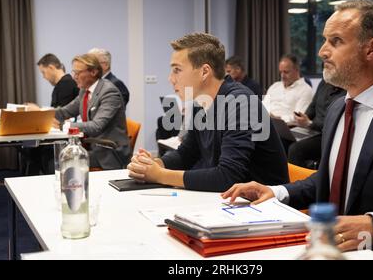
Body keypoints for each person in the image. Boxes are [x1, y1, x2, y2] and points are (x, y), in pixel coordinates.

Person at [222, 0, 373, 260]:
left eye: (336, 41)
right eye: (325, 40)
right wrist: (277, 191)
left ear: (371, 49)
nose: (322, 52)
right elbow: (332, 178)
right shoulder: (339, 109)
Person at [127, 33, 289, 192]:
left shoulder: (240, 101)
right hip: (233, 202)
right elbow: (187, 153)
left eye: (177, 70)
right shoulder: (201, 102)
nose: (171, 78)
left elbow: (227, 177)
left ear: (205, 71)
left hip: (264, 208)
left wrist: (160, 175)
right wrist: (155, 164)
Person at [54, 54, 131, 170]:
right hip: (93, 146)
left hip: (109, 152)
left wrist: (64, 126)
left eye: (78, 73)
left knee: (60, 160)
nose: (74, 77)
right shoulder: (84, 91)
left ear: (93, 72)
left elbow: (96, 126)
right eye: (73, 72)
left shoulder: (109, 92)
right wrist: (41, 114)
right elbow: (65, 111)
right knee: (54, 157)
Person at [22, 54, 80, 175]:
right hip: (62, 133)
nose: (43, 77)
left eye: (43, 72)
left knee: (32, 150)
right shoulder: (61, 85)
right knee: (29, 148)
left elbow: (61, 117)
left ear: (52, 67)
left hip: (65, 137)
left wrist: (38, 111)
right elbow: (57, 112)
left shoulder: (66, 84)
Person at [288, 80, 346, 168]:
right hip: (311, 129)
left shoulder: (347, 92)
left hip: (327, 135)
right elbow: (313, 105)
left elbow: (334, 123)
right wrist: (303, 117)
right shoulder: (323, 83)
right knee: (284, 139)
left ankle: (299, 180)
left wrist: (310, 124)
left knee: (295, 149)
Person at [265, 55, 313, 125]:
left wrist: (278, 119)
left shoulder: (305, 90)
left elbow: (298, 117)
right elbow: (264, 106)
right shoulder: (274, 86)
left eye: (286, 72)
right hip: (266, 124)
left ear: (297, 70)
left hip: (286, 127)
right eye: (281, 72)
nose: (282, 76)